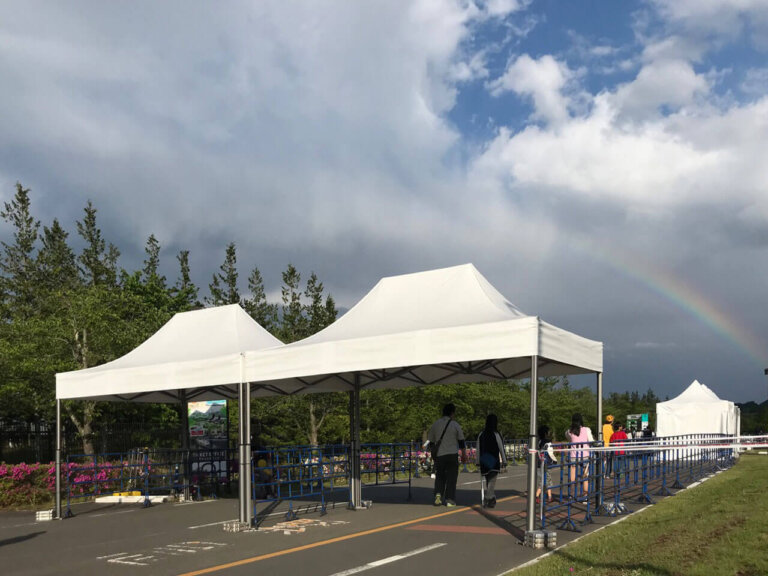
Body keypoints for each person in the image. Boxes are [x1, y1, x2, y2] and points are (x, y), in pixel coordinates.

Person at [428, 403, 467, 507]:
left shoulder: (436, 424)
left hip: (440, 455)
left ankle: (438, 495)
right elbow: (461, 441)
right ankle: (449, 500)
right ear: (452, 413)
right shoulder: (455, 425)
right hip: (452, 455)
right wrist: (464, 454)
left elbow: (431, 441)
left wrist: (433, 452)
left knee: (440, 476)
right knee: (451, 477)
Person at [476, 414, 507, 508]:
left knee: (488, 480)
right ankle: (487, 497)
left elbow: (478, 448)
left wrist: (477, 462)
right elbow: (501, 447)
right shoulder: (496, 433)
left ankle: (492, 499)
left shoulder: (481, 434)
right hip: (493, 459)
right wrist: (504, 460)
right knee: (492, 482)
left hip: (484, 459)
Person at [565, 413, 593, 501]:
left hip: (574, 455)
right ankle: (585, 496)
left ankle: (571, 494)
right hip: (585, 455)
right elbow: (591, 440)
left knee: (572, 475)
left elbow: (569, 439)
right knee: (585, 476)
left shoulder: (569, 431)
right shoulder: (586, 429)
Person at [535, 424, 557, 504]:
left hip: (539, 463)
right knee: (545, 480)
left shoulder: (538, 441)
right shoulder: (548, 442)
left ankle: (550, 497)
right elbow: (551, 453)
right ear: (546, 433)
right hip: (546, 463)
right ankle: (537, 495)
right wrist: (555, 460)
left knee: (548, 480)